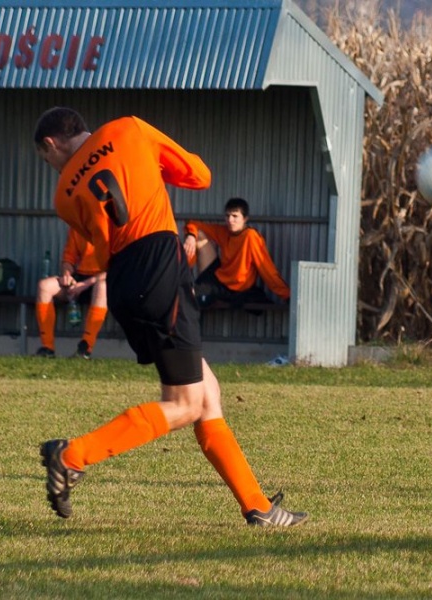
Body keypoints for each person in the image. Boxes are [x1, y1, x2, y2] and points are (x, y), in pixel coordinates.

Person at [33, 107, 306, 527]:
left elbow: (104, 248)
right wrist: (154, 167)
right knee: (185, 403)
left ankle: (258, 506)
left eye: (44, 159)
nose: (49, 164)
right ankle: (71, 456)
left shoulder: (62, 196)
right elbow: (200, 175)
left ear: (51, 144)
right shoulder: (128, 128)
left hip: (126, 282)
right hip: (159, 264)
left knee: (207, 393)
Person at [183, 197, 290, 309]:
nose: (230, 220)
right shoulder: (224, 231)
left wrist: (287, 295)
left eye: (235, 216)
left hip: (238, 288)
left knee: (193, 300)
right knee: (197, 234)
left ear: (245, 219)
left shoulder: (251, 237)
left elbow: (268, 271)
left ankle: (206, 296)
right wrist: (191, 236)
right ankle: (190, 277)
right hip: (219, 280)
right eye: (227, 216)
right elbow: (193, 224)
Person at [34, 228, 108, 359]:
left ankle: (85, 348)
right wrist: (67, 275)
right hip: (79, 278)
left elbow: (117, 266)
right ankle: (47, 347)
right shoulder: (78, 226)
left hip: (103, 279)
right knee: (44, 286)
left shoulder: (111, 226)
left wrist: (86, 284)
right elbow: (68, 259)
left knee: (102, 287)